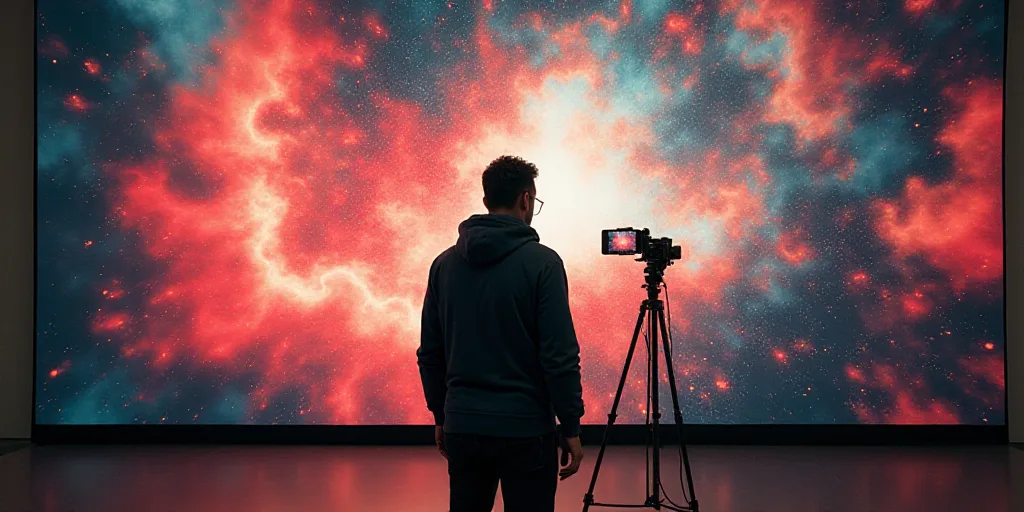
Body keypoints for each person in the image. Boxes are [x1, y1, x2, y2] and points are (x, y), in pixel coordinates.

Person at [417, 155, 586, 512]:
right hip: (526, 431)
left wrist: (441, 415)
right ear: (526, 199)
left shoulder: (443, 264)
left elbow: (430, 353)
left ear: (485, 201)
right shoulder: (544, 263)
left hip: (462, 424)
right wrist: (570, 425)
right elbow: (559, 356)